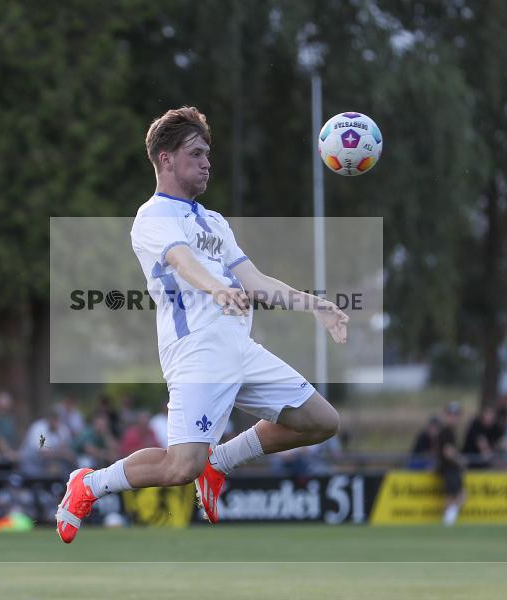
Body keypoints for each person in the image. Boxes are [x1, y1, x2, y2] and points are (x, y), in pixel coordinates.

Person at [56, 106, 348, 543]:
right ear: (165, 158)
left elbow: (254, 280)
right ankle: (88, 484)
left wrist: (314, 304)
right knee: (180, 467)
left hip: (239, 349)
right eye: (195, 153)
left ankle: (220, 462)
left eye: (208, 153)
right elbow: (180, 259)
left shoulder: (213, 221)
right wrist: (215, 288)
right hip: (196, 352)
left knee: (322, 421)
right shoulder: (153, 216)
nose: (206, 162)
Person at [19, 407, 76, 476]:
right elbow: (43, 453)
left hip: (49, 463)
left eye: (56, 418)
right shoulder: (39, 428)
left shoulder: (61, 429)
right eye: (52, 418)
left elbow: (67, 450)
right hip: (31, 463)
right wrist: (61, 453)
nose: (54, 421)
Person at [437, 402, 466, 526]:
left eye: (456, 415)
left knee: (459, 495)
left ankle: (449, 521)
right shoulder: (447, 432)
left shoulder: (452, 431)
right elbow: (448, 452)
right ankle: (447, 521)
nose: (454, 417)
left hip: (453, 468)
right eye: (451, 414)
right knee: (453, 496)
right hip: (450, 468)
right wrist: (461, 461)